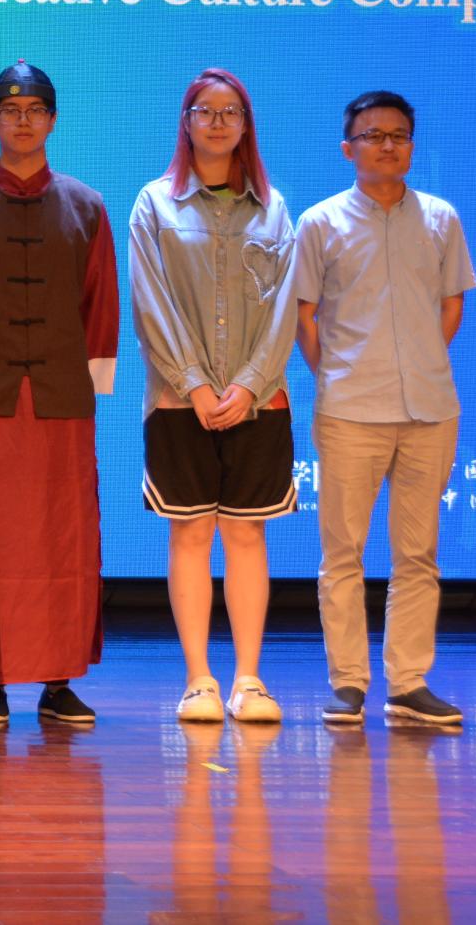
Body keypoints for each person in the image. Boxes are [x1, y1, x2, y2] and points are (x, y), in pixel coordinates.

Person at [0, 60, 118, 728]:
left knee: (64, 539)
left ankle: (58, 681)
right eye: (10, 111)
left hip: (63, 395)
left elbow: (100, 298)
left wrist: (93, 377)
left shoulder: (87, 206)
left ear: (53, 120)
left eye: (35, 110)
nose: (23, 121)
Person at [297, 91, 476, 728]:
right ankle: (348, 683)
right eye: (372, 135)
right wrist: (339, 375)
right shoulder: (320, 222)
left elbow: (451, 305)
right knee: (343, 553)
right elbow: (304, 317)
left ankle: (408, 683)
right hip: (350, 410)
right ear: (348, 149)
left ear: (412, 147)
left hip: (431, 406)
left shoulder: (441, 218)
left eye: (398, 135)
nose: (387, 145)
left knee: (418, 554)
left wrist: (419, 359)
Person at [128, 70, 298, 726]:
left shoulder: (274, 207)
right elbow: (150, 301)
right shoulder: (155, 203)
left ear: (246, 124)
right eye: (206, 110)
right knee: (191, 530)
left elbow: (286, 307)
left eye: (231, 112)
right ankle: (199, 679)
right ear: (187, 120)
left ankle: (249, 679)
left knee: (248, 533)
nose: (219, 122)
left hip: (261, 399)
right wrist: (194, 382)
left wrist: (250, 383)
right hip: (180, 402)